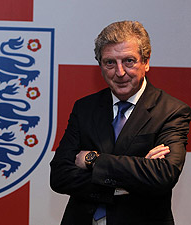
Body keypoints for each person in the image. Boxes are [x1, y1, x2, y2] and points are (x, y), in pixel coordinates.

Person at [50, 20, 191, 225]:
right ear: (100, 65)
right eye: (110, 63)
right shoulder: (85, 108)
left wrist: (93, 160)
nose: (120, 72)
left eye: (129, 61)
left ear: (146, 61)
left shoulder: (172, 111)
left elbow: (163, 175)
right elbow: (60, 176)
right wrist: (130, 181)